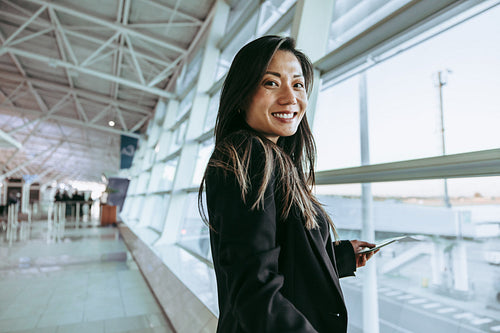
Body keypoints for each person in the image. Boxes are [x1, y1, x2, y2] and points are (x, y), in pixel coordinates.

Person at [199, 35, 377, 333]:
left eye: (297, 84)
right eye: (271, 83)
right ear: (242, 95)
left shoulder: (270, 158)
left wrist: (341, 256)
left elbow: (272, 257)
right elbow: (256, 291)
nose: (290, 98)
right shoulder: (250, 156)